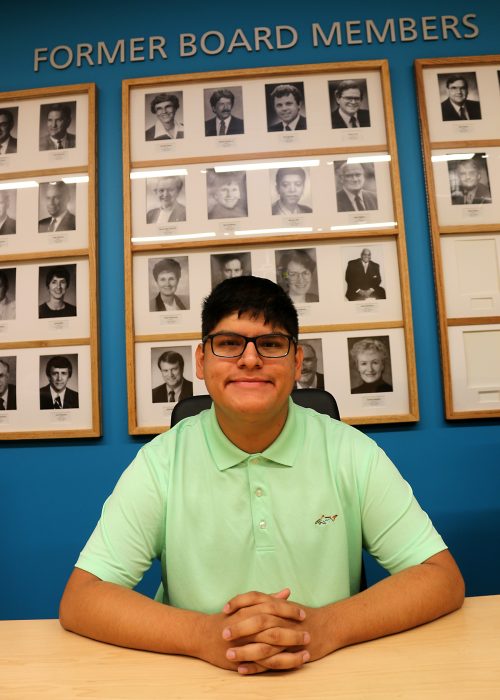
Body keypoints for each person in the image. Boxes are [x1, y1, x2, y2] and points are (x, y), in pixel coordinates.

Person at [60, 274, 464, 676]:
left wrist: (323, 628)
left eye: (270, 344)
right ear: (201, 362)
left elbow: (440, 578)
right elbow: (82, 599)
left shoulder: (351, 451)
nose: (250, 359)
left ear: (297, 362)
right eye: (229, 343)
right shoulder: (161, 461)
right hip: (199, 677)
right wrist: (205, 636)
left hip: (328, 673)